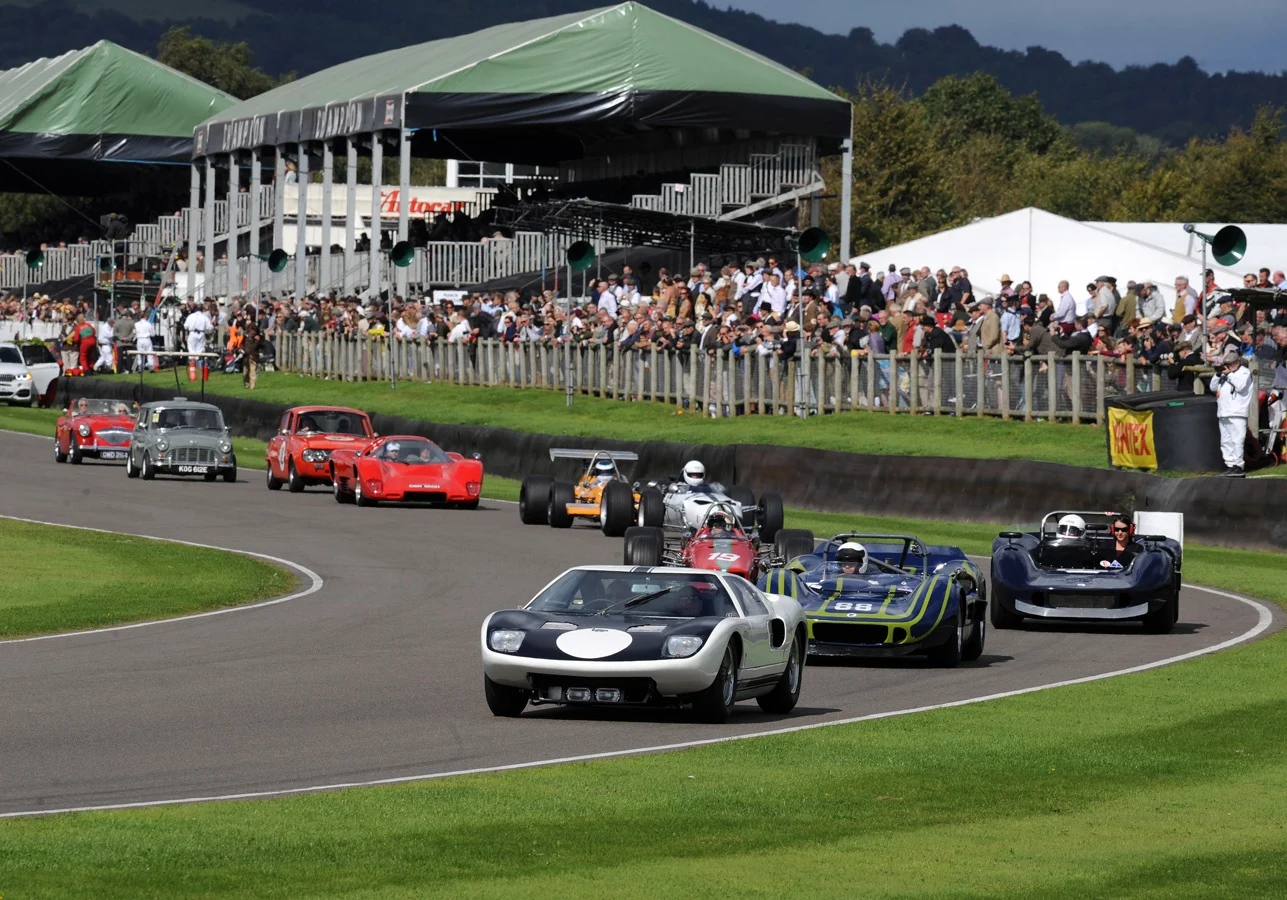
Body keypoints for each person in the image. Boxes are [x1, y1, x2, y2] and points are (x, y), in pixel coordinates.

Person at [1210, 345, 1253, 477]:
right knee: (1225, 441)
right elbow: (1213, 387)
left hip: (1237, 412)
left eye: (1231, 364)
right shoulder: (1225, 374)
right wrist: (1218, 375)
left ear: (1238, 362)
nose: (1229, 366)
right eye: (1227, 364)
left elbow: (1240, 387)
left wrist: (1229, 375)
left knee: (1237, 440)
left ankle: (1238, 466)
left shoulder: (1244, 372)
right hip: (1223, 412)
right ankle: (1230, 465)